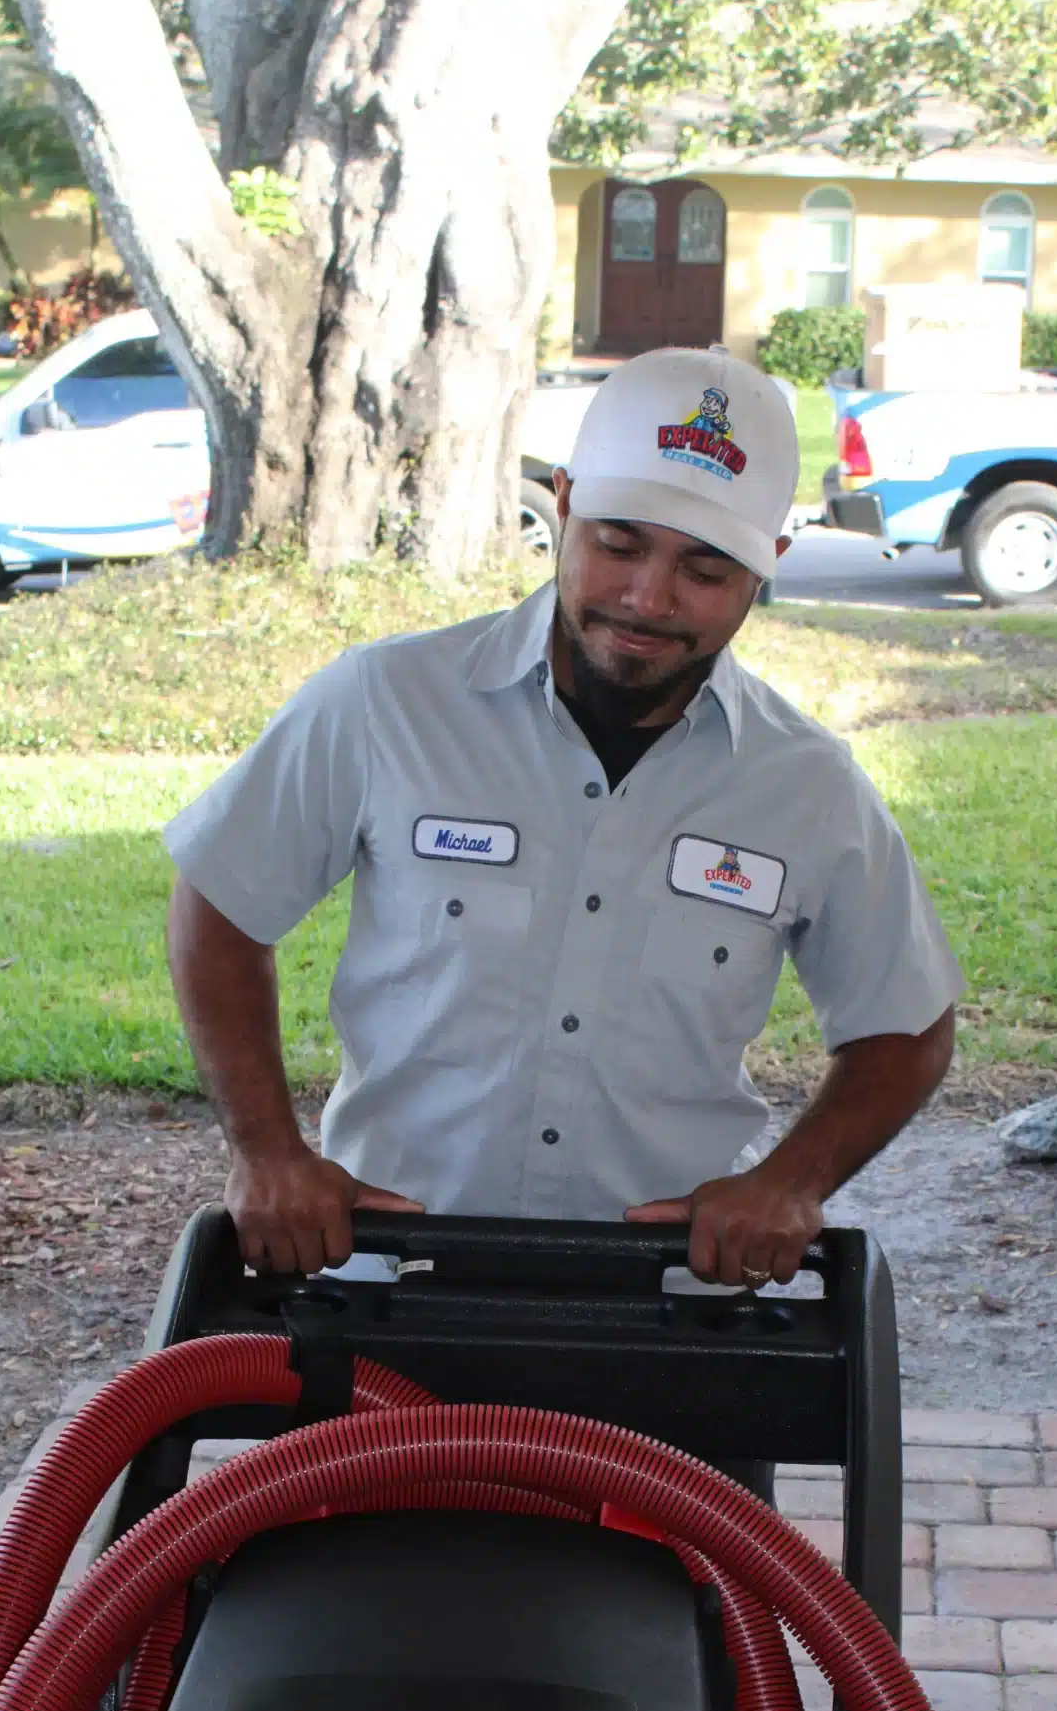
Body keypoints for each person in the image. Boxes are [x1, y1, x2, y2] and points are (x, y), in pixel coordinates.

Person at [162, 345, 961, 1288]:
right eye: (619, 544)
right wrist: (267, 1153)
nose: (647, 599)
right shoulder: (385, 704)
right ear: (566, 503)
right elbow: (220, 901)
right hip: (390, 1284)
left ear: (768, 566)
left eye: (704, 570)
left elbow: (906, 1024)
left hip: (667, 1311)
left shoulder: (807, 785)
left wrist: (792, 1183)